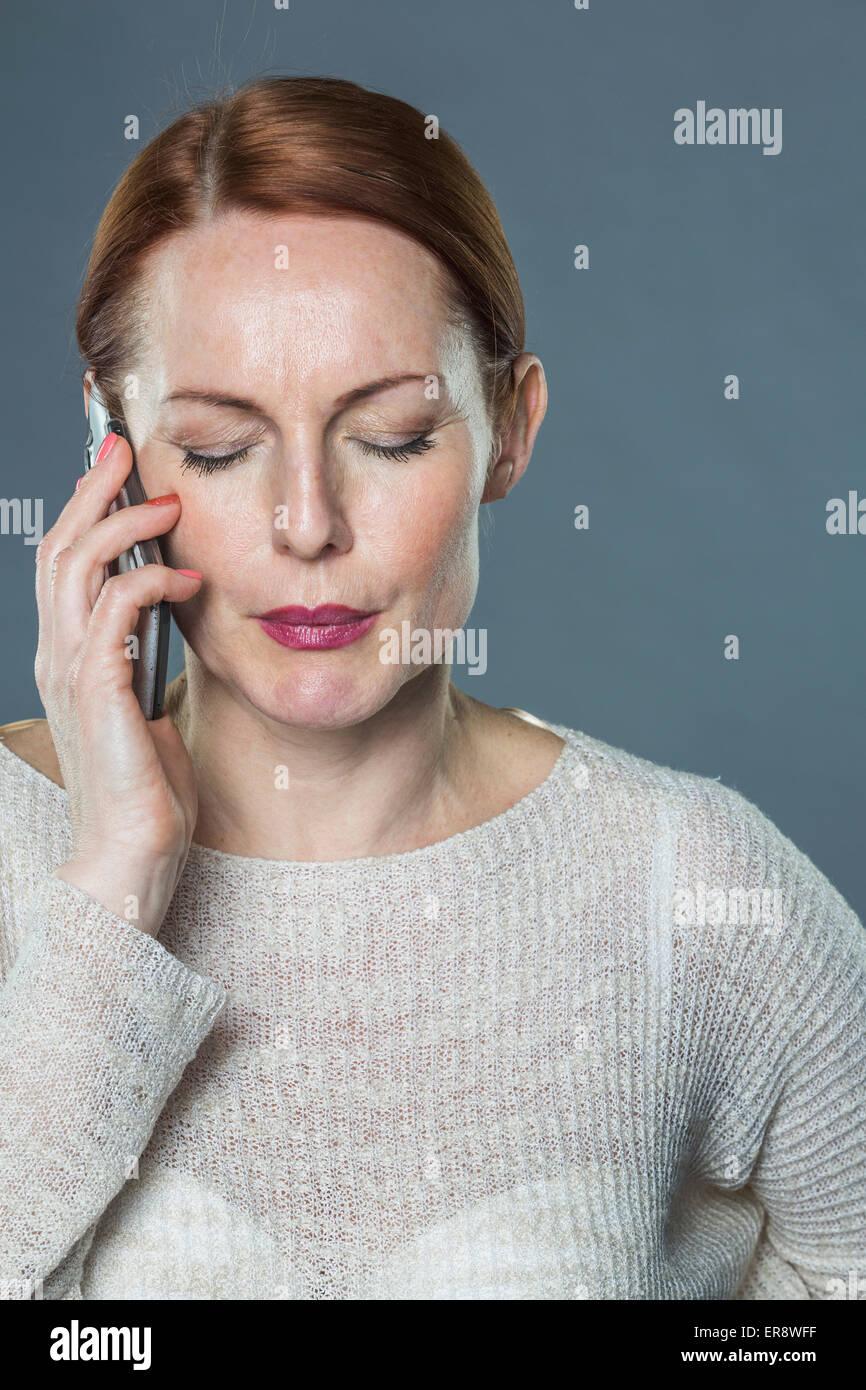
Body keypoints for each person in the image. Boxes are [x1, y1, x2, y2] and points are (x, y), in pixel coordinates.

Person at [0, 75, 864, 1301]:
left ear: (509, 431)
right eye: (219, 448)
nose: (309, 523)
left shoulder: (694, 890)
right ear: (110, 446)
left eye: (391, 433)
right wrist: (112, 885)